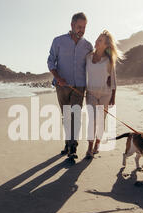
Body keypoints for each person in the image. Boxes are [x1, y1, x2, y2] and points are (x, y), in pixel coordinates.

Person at [47, 12, 93, 162]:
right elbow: (51, 62)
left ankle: (73, 147)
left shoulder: (87, 46)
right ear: (72, 25)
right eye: (79, 26)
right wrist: (58, 77)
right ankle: (67, 143)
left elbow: (92, 66)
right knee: (66, 116)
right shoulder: (58, 41)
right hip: (62, 86)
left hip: (79, 86)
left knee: (76, 116)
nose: (82, 30)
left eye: (84, 27)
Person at [85, 30, 123, 159]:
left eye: (100, 40)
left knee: (101, 121)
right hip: (90, 93)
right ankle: (89, 148)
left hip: (105, 94)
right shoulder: (88, 57)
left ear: (106, 45)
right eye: (97, 38)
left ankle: (97, 144)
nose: (96, 41)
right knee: (92, 121)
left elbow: (113, 79)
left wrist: (113, 96)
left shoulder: (109, 60)